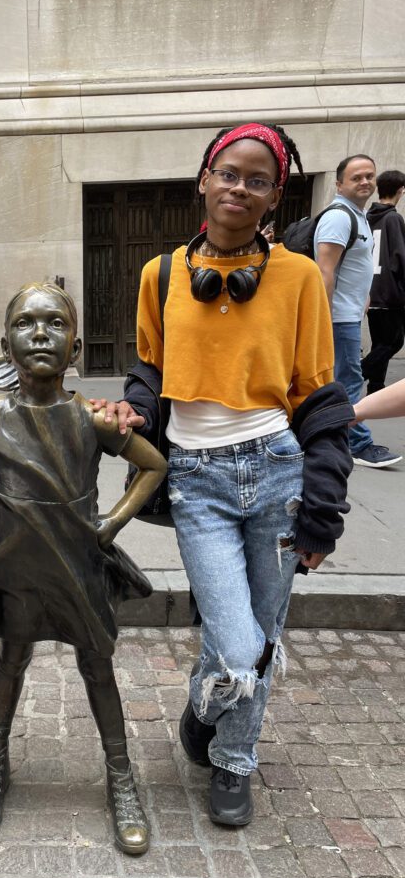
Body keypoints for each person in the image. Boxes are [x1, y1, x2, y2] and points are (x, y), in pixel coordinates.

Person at [127, 122, 353, 828]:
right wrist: (132, 412)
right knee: (235, 646)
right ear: (204, 179)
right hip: (196, 481)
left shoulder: (299, 279)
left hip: (278, 472)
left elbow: (319, 396)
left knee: (265, 631)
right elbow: (150, 371)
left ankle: (232, 761)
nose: (240, 187)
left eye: (258, 179)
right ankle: (205, 713)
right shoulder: (160, 274)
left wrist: (324, 506)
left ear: (274, 196)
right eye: (229, 173)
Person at [0, 283, 167, 856]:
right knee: (11, 659)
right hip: (16, 564)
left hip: (77, 562)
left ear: (74, 346)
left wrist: (109, 526)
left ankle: (121, 776)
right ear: (6, 344)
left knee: (97, 666)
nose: (39, 333)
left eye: (54, 323)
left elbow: (152, 466)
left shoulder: (90, 418)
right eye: (26, 323)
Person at [314, 155, 402, 468]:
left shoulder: (359, 216)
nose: (365, 181)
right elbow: (325, 270)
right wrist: (323, 318)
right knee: (349, 380)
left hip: (348, 314)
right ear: (339, 184)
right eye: (356, 177)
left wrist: (363, 298)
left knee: (339, 378)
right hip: (337, 318)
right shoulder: (339, 217)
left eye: (369, 176)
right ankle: (358, 444)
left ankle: (328, 433)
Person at [361, 170, 405, 395]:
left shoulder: (367, 217)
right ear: (400, 190)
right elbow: (400, 258)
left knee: (380, 342)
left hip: (371, 291)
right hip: (390, 293)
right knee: (393, 342)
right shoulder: (394, 218)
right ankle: (359, 373)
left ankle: (375, 388)